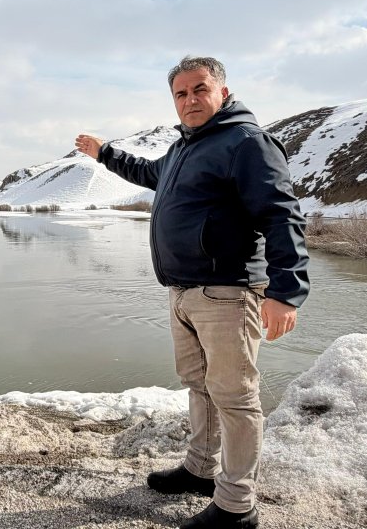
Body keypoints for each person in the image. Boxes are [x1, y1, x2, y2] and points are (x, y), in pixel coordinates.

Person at [74, 56, 309, 529]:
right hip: (184, 291)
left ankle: (237, 506)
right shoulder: (186, 147)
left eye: (199, 89)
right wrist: (105, 154)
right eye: (180, 94)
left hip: (228, 292)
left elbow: (280, 213)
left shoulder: (245, 143)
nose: (189, 100)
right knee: (199, 384)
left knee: (235, 396)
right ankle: (202, 469)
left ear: (222, 91)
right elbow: (148, 173)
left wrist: (286, 291)